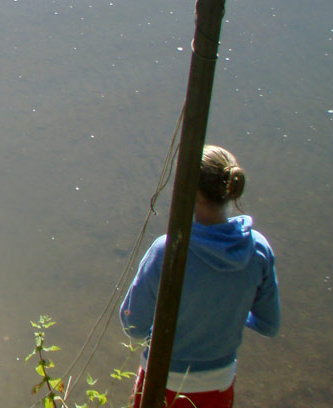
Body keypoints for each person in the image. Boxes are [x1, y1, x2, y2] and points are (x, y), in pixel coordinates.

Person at [119, 145, 280, 408]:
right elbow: (269, 325)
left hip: (163, 382)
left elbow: (133, 326)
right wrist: (232, 310)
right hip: (219, 385)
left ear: (188, 189)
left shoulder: (168, 249)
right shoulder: (258, 248)